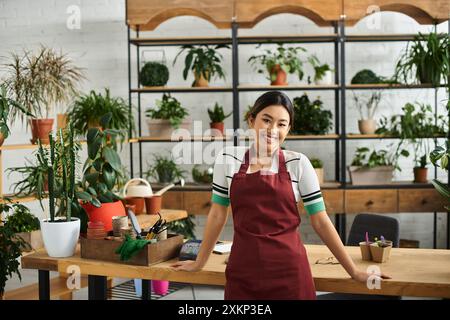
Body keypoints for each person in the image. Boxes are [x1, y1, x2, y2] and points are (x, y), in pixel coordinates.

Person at [171, 91, 390, 299]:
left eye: (281, 124)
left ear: (288, 129)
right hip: (242, 273)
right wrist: (199, 262)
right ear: (251, 120)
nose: (273, 129)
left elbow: (321, 222)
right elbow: (218, 214)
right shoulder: (228, 159)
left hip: (290, 274)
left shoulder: (299, 164)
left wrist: (354, 272)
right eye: (266, 120)